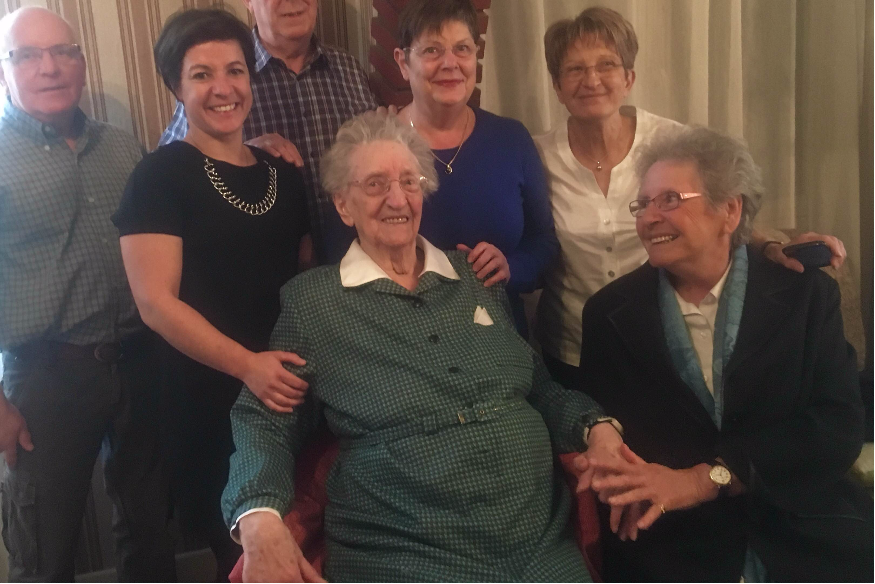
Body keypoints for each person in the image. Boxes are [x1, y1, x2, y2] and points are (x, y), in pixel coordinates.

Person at [222, 111, 624, 583]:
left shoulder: (474, 277)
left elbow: (539, 388)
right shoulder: (314, 303)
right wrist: (258, 515)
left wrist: (596, 427)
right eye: (375, 184)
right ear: (344, 205)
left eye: (408, 182)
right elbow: (265, 420)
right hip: (405, 551)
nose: (397, 199)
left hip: (537, 543)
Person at [577, 126, 874, 582]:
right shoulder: (609, 315)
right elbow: (609, 426)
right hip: (676, 543)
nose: (649, 218)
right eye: (643, 204)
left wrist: (708, 478)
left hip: (804, 530)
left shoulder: (805, 296)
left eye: (670, 199)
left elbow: (837, 426)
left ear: (730, 210)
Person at [534, 6, 847, 388]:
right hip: (572, 347)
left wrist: (770, 247)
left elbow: (717, 212)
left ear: (629, 77)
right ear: (557, 86)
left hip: (662, 342)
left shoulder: (671, 144)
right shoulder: (535, 156)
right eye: (575, 69)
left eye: (607, 65)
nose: (592, 80)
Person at [112, 9, 310, 580]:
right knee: (243, 557)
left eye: (235, 70)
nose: (223, 88)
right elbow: (156, 303)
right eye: (202, 74)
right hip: (205, 399)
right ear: (176, 87)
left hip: (287, 393)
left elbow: (304, 280)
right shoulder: (158, 177)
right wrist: (248, 366)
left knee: (301, 540)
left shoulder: (283, 173)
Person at [0, 7, 175, 583]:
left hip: (139, 362)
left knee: (150, 530)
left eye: (63, 52)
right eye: (28, 55)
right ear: (5, 70)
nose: (49, 67)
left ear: (81, 63)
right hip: (46, 378)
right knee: (44, 548)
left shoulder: (122, 147)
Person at [159, 0, 377, 264]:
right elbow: (171, 175)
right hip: (269, 268)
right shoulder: (222, 76)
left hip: (358, 263)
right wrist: (239, 151)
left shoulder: (349, 69)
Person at [392, 0, 558, 335]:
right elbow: (343, 258)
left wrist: (510, 268)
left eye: (462, 49)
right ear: (403, 62)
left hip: (500, 337)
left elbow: (543, 242)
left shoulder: (511, 139)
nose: (450, 63)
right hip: (404, 335)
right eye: (432, 50)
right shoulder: (375, 147)